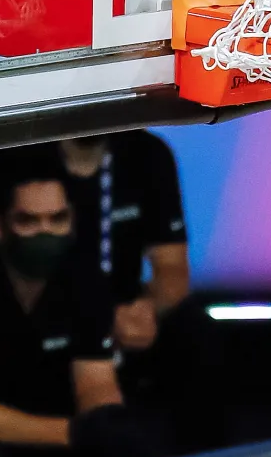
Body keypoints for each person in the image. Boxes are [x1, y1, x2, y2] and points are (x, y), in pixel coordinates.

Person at [0, 147, 163, 457]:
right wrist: (72, 433)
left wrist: (105, 425)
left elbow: (95, 380)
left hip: (48, 427)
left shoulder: (84, 277)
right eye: (28, 221)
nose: (45, 233)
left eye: (57, 219)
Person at [57, 131, 190, 399]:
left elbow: (172, 267)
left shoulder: (148, 153)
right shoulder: (16, 154)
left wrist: (148, 308)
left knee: (195, 334)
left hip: (125, 307)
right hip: (51, 313)